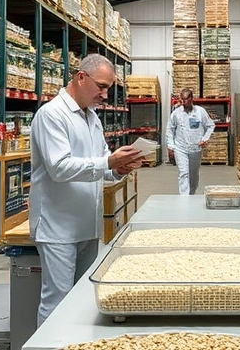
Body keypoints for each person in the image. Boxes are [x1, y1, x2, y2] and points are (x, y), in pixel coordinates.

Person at [29, 53, 142, 327]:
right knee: (57, 299)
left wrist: (118, 168)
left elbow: (100, 163)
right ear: (81, 77)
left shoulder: (92, 117)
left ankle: (76, 346)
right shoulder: (52, 115)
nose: (105, 95)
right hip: (58, 226)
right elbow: (59, 168)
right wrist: (108, 162)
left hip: (87, 224)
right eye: (101, 87)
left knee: (82, 296)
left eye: (108, 88)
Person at [166, 88, 215, 195]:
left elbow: (211, 125)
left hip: (195, 149)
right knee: (184, 173)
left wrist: (204, 139)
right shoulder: (176, 114)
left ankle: (191, 194)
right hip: (180, 148)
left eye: (186, 100)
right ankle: (184, 198)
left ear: (191, 98)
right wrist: (171, 146)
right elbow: (170, 130)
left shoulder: (200, 112)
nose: (183, 102)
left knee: (193, 175)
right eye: (182, 100)